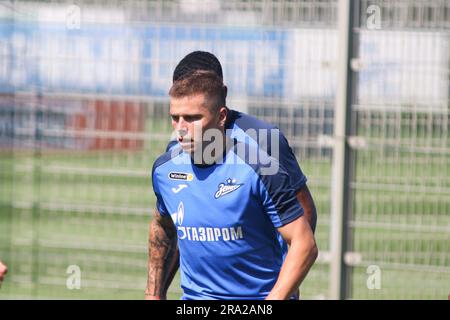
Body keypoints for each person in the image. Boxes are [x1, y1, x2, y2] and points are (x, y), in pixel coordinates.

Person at [145, 51, 318, 299]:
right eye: (176, 117)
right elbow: (170, 222)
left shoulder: (263, 144)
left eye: (193, 117)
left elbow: (304, 220)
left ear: (221, 106)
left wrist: (283, 282)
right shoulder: (170, 163)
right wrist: (154, 293)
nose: (182, 128)